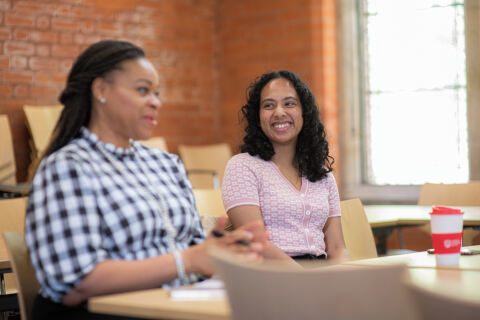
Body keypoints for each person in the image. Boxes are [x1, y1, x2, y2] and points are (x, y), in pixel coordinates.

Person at [25, 40, 267, 320]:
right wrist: (187, 261)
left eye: (156, 93)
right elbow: (77, 282)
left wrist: (225, 255)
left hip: (177, 305)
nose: (156, 102)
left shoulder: (164, 163)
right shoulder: (68, 167)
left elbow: (195, 251)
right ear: (101, 90)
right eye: (142, 90)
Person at [222, 70, 348, 265]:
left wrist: (343, 282)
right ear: (258, 116)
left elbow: (337, 249)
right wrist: (307, 281)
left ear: (304, 112)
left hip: (321, 277)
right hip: (273, 277)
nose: (279, 112)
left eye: (289, 103)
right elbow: (257, 243)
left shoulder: (323, 175)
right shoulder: (242, 167)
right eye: (269, 105)